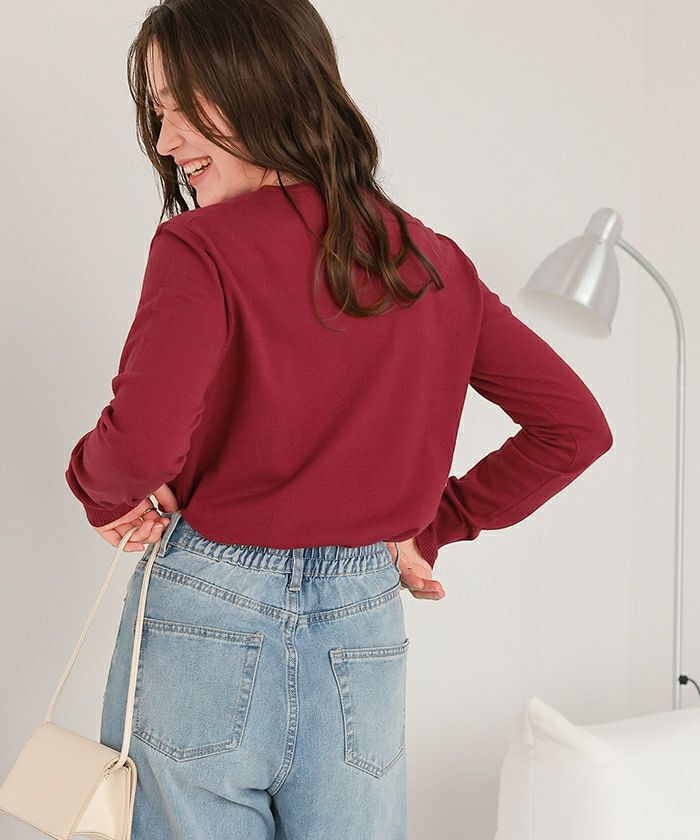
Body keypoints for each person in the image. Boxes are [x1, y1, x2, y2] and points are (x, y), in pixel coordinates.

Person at [64, 1, 613, 837]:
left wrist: (100, 490)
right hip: (362, 619)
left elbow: (139, 449)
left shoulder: (200, 248)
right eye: (159, 113)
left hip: (205, 612)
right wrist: (430, 526)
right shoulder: (431, 261)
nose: (167, 141)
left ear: (258, 83)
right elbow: (574, 427)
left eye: (182, 107)